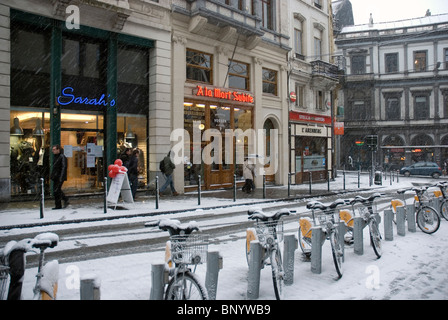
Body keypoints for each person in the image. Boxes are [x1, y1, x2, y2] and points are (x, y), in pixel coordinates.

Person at [50, 144, 69, 209]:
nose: (53, 151)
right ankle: (59, 204)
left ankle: (63, 201)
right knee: (56, 191)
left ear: (58, 150)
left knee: (57, 190)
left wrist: (61, 177)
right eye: (53, 149)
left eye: (54, 149)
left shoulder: (62, 157)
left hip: (59, 176)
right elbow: (55, 167)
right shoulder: (56, 157)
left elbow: (64, 167)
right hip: (56, 176)